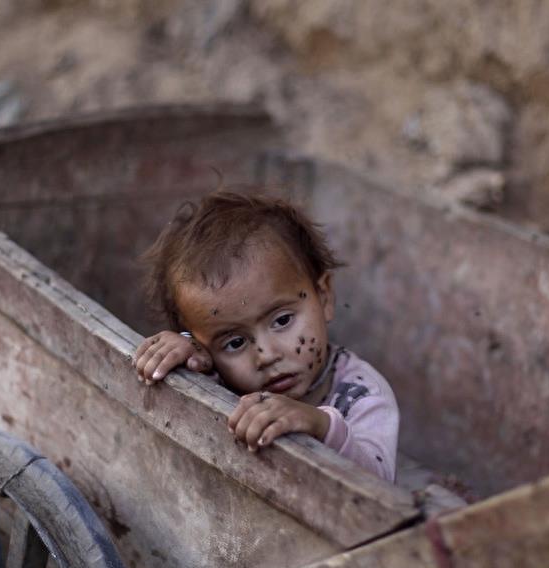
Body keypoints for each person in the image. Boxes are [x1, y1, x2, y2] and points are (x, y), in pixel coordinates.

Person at [133, 190, 398, 482]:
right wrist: (183, 352)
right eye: (235, 342)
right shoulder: (216, 373)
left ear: (324, 297)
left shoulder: (361, 393)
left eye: (282, 320)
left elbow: (380, 482)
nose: (267, 355)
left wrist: (321, 426)